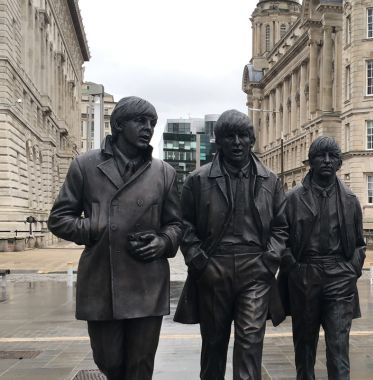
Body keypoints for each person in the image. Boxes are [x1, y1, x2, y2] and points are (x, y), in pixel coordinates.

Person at [48, 96, 182, 380]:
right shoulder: (85, 166)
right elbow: (58, 219)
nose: (148, 128)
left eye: (152, 123)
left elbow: (176, 225)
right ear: (119, 125)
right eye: (141, 121)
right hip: (101, 283)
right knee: (108, 361)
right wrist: (95, 227)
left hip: (147, 283)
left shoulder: (164, 173)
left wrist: (163, 242)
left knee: (140, 366)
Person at [174, 109, 287, 380]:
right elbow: (184, 225)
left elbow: (282, 227)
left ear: (252, 140)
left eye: (243, 136)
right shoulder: (198, 180)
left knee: (250, 341)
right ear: (218, 141)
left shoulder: (270, 180)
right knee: (214, 344)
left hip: (255, 270)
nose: (237, 142)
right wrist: (200, 262)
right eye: (229, 136)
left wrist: (268, 262)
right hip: (215, 268)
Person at [278, 136, 366, 380]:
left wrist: (352, 270)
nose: (327, 161)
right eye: (320, 156)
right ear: (311, 162)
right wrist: (294, 269)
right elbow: (280, 239)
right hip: (305, 273)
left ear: (339, 163)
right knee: (305, 347)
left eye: (332, 157)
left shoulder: (350, 200)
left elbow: (360, 243)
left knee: (339, 348)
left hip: (340, 275)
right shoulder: (293, 198)